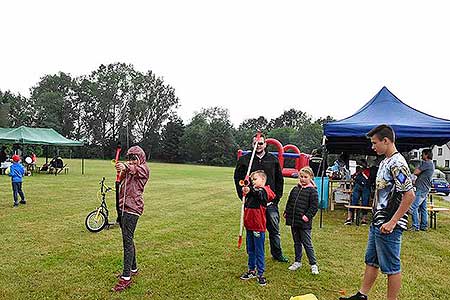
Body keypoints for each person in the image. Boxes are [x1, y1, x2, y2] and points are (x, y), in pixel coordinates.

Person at [340, 125, 415, 300]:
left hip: (389, 225)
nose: (372, 147)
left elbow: (409, 195)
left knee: (391, 267)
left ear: (386, 141)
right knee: (371, 260)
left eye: (375, 143)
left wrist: (393, 222)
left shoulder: (397, 163)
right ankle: (362, 295)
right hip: (378, 222)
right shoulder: (384, 162)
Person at [234, 133, 288, 262]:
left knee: (274, 230)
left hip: (269, 202)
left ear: (265, 144)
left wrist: (276, 199)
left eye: (260, 143)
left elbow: (279, 180)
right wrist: (242, 196)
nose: (258, 146)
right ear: (252, 144)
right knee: (252, 230)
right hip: (252, 203)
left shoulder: (272, 160)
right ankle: (252, 254)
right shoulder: (245, 160)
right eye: (255, 144)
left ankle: (277, 253)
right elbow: (238, 178)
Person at [112, 146, 150, 292]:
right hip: (123, 207)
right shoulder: (129, 169)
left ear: (140, 158)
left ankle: (126, 277)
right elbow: (122, 178)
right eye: (129, 158)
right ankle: (133, 269)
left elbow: (134, 170)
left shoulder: (144, 169)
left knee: (127, 241)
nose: (132, 161)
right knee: (128, 238)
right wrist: (120, 171)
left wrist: (126, 166)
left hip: (132, 209)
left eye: (134, 158)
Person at [239, 170, 276, 286]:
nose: (252, 182)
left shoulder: (265, 191)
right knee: (250, 249)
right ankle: (251, 270)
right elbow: (250, 193)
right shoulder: (252, 192)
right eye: (252, 180)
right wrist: (246, 191)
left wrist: (250, 189)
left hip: (258, 227)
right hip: (249, 226)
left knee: (259, 250)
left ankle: (261, 273)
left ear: (263, 180)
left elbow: (259, 193)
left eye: (255, 179)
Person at [284, 166, 319, 274]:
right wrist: (287, 211)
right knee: (296, 242)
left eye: (305, 177)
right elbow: (290, 201)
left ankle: (313, 264)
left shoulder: (313, 192)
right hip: (294, 221)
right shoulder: (295, 189)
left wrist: (307, 216)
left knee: (307, 243)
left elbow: (314, 207)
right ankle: (297, 261)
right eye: (301, 177)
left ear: (311, 177)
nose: (303, 179)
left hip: (304, 223)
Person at [409, 149, 434, 231]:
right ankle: (424, 226)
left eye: (422, 154)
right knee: (423, 208)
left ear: (427, 155)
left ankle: (415, 226)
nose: (421, 156)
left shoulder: (427, 163)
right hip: (425, 188)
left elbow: (416, 172)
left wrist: (419, 166)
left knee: (413, 206)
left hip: (421, 188)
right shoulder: (431, 164)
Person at [344, 159, 371, 225]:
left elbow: (367, 178)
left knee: (365, 202)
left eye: (362, 164)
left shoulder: (367, 171)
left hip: (366, 187)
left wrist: (362, 172)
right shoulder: (357, 172)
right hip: (357, 186)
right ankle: (349, 218)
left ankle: (363, 219)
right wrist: (357, 173)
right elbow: (353, 177)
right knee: (353, 201)